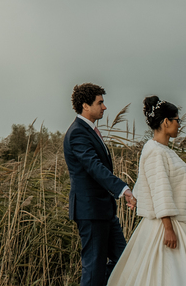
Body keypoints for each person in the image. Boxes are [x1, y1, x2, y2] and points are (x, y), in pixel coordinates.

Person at [106, 96, 186, 286]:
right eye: (177, 120)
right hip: (165, 226)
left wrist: (136, 197)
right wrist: (168, 229)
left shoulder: (161, 150)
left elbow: (146, 179)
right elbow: (161, 190)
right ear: (166, 122)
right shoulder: (156, 152)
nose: (179, 125)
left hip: (175, 222)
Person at [64, 83, 137, 286]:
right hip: (91, 211)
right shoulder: (77, 133)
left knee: (124, 261)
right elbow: (94, 167)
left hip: (104, 211)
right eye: (100, 103)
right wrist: (122, 189)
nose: (104, 107)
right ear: (85, 106)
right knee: (94, 268)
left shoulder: (90, 131)